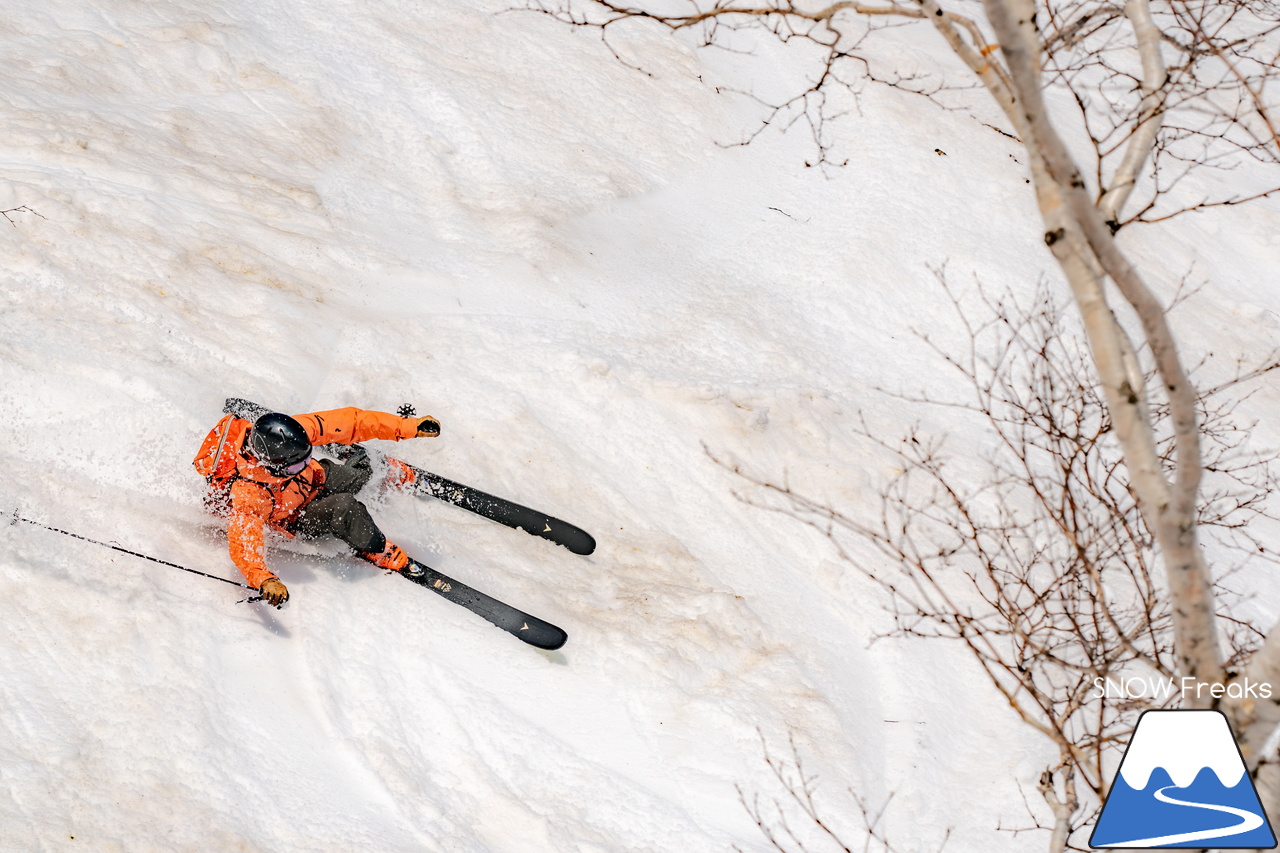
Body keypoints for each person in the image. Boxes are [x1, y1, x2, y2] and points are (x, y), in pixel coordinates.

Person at [193, 406, 441, 606]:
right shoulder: (250, 493)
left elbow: (351, 422)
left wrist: (408, 426)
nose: (301, 464)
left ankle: (397, 475)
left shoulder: (294, 435)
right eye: (294, 466)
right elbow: (244, 544)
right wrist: (265, 580)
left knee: (363, 467)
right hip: (299, 516)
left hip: (315, 479)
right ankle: (374, 548)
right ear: (271, 466)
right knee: (344, 507)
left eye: (305, 457)